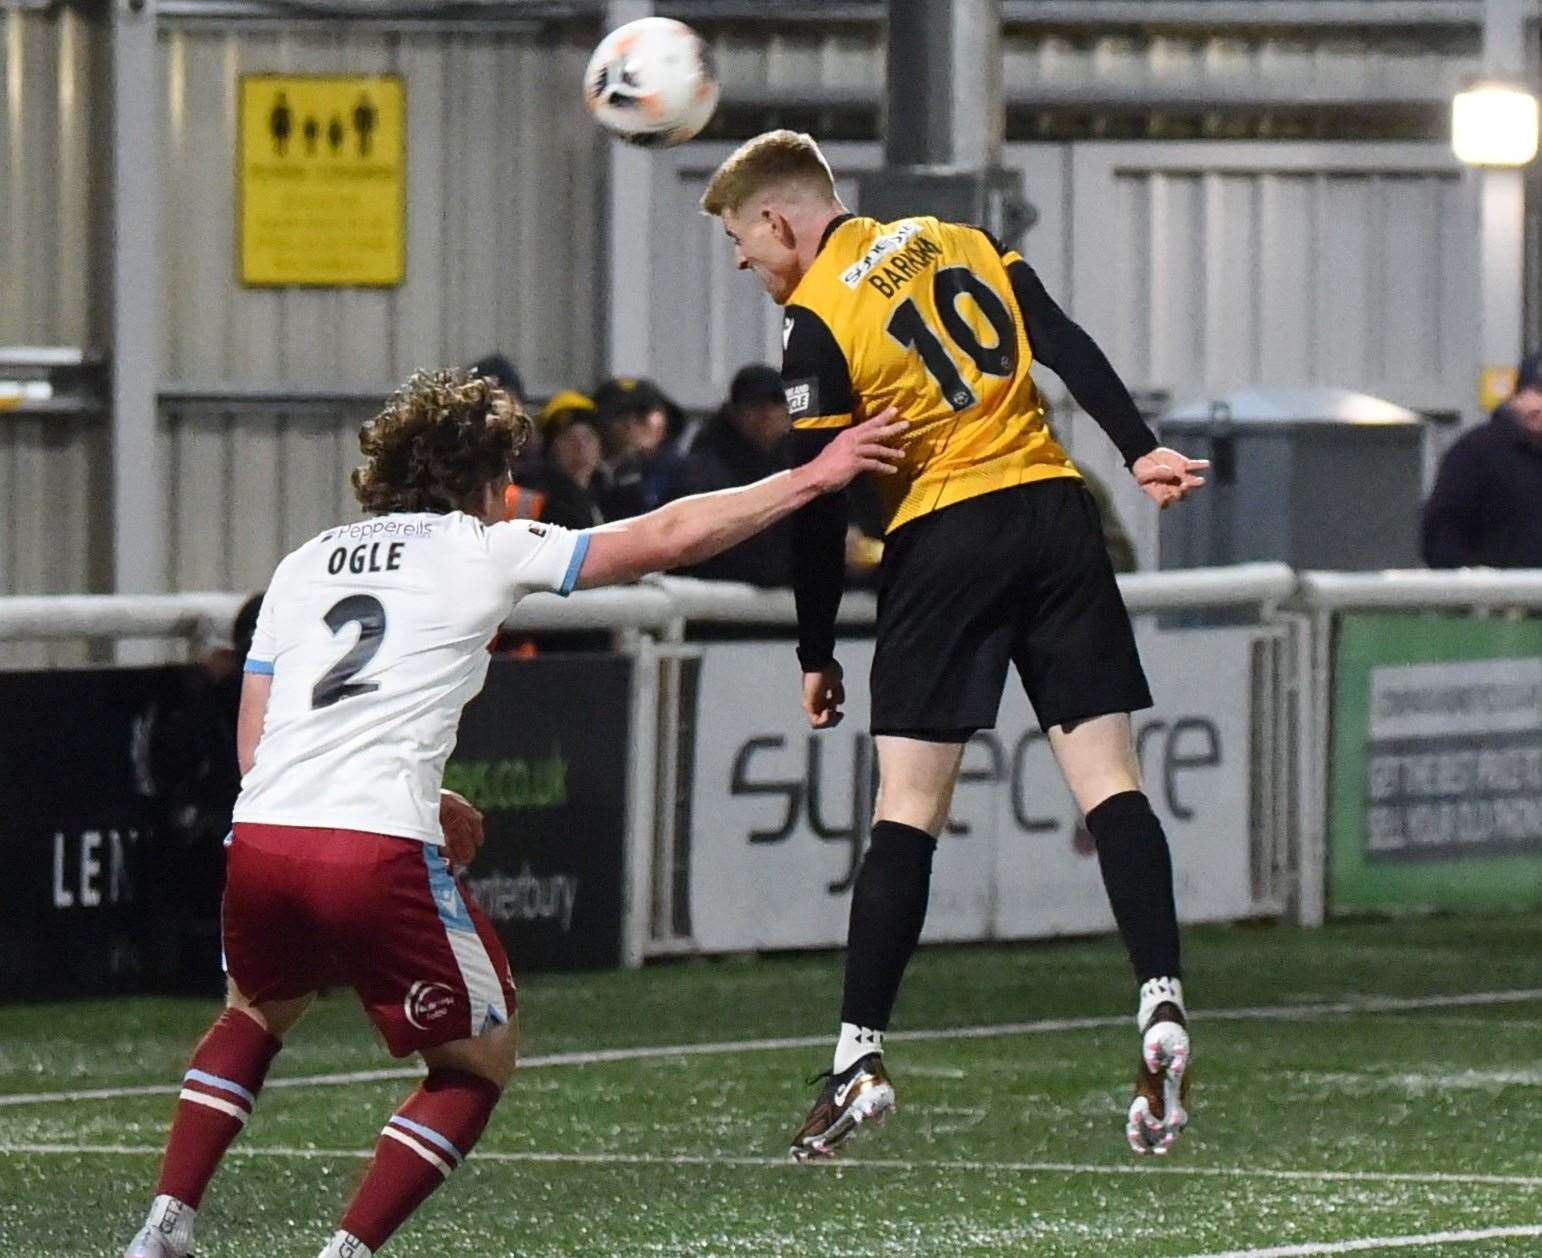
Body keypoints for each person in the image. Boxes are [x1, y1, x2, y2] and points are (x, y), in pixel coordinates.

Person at [122, 368, 904, 1258]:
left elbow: (257, 748)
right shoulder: (481, 546)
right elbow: (665, 536)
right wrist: (814, 476)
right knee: (475, 1064)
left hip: (264, 835)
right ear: (487, 478)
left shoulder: (303, 563)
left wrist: (421, 792)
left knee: (255, 1009)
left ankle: (163, 1228)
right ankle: (346, 1252)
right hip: (372, 843)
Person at [699, 131, 1209, 1162]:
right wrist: (1138, 443)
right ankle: (1161, 997)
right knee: (1111, 782)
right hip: (1057, 512)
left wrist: (813, 647)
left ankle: (858, 1056)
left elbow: (813, 501)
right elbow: (1059, 337)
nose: (741, 261)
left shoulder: (816, 322)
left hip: (944, 534)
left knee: (908, 811)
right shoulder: (959, 238)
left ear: (780, 221)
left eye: (740, 240)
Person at [677, 363, 794, 586]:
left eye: (777, 403)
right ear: (733, 411)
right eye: (754, 403)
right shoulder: (702, 473)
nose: (767, 413)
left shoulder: (801, 464)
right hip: (715, 607)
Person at [1422, 353, 1542, 569]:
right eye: (1537, 392)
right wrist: (1477, 586)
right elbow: (1441, 533)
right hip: (1493, 599)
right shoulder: (1476, 452)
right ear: (1517, 397)